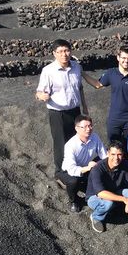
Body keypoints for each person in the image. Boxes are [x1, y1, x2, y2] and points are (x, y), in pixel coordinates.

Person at [35, 39, 99, 175]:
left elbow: (80, 88)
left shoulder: (76, 67)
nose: (64, 54)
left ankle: (77, 167)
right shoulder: (48, 71)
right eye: (60, 52)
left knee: (77, 140)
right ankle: (61, 172)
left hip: (75, 111)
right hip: (58, 114)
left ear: (71, 51)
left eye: (66, 51)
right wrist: (42, 96)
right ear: (54, 53)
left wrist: (85, 108)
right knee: (61, 143)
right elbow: (39, 92)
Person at [87, 45, 128, 144]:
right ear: (118, 58)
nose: (126, 61)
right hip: (114, 118)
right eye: (123, 58)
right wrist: (82, 73)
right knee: (113, 145)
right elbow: (97, 85)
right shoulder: (111, 73)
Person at [86, 141, 128, 233]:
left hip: (115, 191)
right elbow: (101, 193)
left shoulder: (124, 165)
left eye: (119, 154)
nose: (116, 158)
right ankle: (96, 217)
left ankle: (117, 207)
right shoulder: (98, 168)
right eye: (113, 154)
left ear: (123, 155)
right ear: (107, 153)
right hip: (95, 197)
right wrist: (125, 200)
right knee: (108, 204)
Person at [56, 115, 107, 213]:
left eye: (90, 126)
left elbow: (103, 155)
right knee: (73, 181)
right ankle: (74, 200)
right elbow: (71, 169)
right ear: (77, 128)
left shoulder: (94, 137)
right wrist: (88, 168)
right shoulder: (70, 145)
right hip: (68, 171)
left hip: (85, 166)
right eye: (84, 127)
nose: (88, 129)